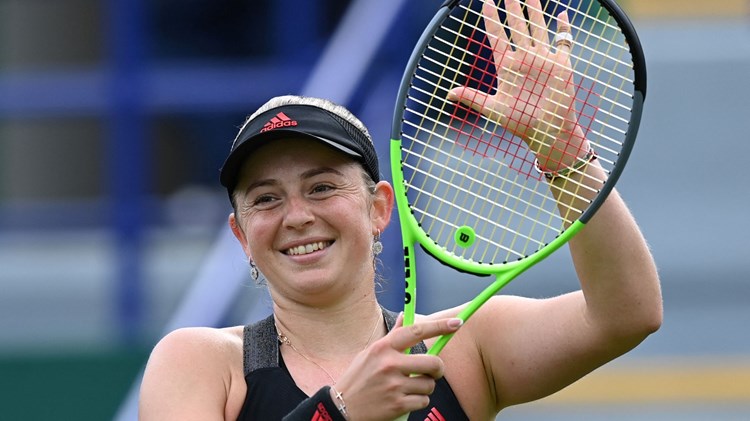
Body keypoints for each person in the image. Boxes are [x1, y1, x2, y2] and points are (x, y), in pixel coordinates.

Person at [138, 1, 662, 419]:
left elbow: (626, 314)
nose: (297, 216)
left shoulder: (461, 348)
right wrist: (340, 413)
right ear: (241, 234)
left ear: (380, 207)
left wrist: (562, 151)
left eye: (322, 188)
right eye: (267, 198)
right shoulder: (198, 362)